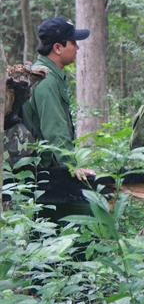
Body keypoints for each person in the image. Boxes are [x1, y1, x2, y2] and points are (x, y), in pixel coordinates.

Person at [21, 16, 96, 223]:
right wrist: (72, 169)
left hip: (43, 172)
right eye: (73, 42)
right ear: (58, 47)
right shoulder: (46, 82)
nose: (77, 48)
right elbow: (55, 130)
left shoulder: (48, 76)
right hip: (46, 175)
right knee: (87, 215)